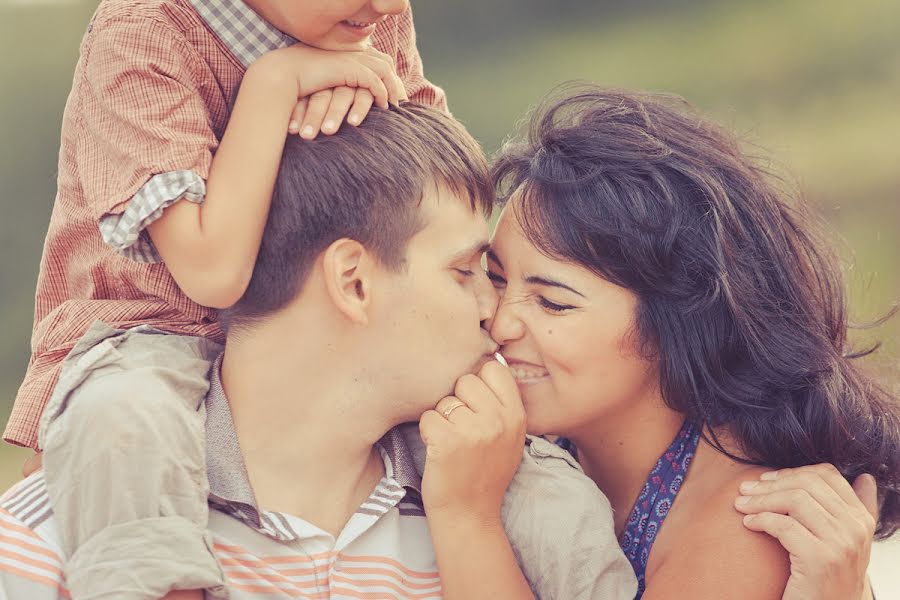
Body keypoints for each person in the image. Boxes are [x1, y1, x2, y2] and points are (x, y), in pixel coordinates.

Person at [0, 104, 639, 599]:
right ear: (353, 281)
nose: (493, 314)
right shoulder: (44, 544)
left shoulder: (511, 522)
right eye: (468, 271)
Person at [6, 0, 441, 598]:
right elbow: (211, 271)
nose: (390, 4)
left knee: (489, 412)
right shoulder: (140, 35)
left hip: (311, 327)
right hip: (149, 331)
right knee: (124, 419)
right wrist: (276, 83)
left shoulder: (363, 17)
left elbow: (426, 179)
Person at [483, 85, 898, 599]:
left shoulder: (747, 526)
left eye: (553, 303)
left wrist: (468, 517)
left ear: (673, 323)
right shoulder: (524, 435)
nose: (499, 324)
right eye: (494, 279)